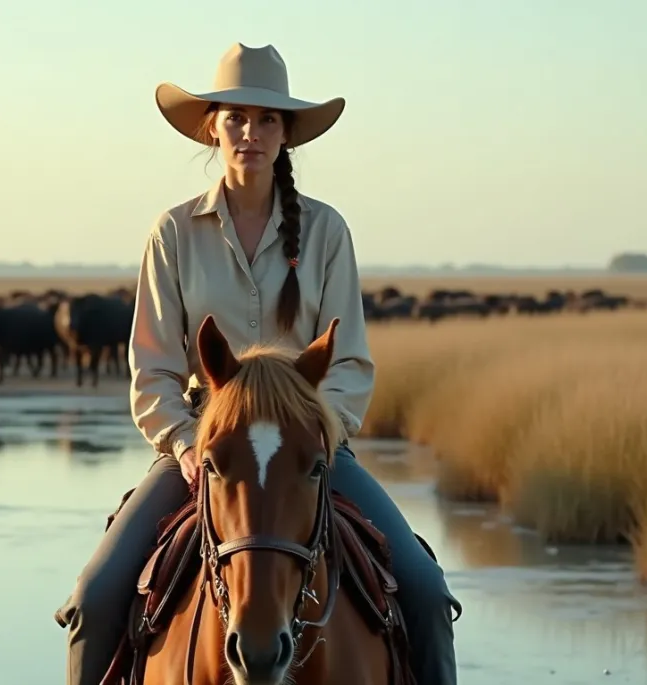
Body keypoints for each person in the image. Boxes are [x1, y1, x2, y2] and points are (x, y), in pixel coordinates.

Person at [55, 43, 461, 685]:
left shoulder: (327, 233)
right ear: (213, 126)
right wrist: (189, 447)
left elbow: (349, 363)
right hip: (205, 449)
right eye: (237, 118)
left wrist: (319, 435)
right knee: (94, 599)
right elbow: (154, 370)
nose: (251, 132)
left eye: (267, 119)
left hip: (307, 453)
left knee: (428, 597)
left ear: (286, 133)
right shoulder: (174, 233)